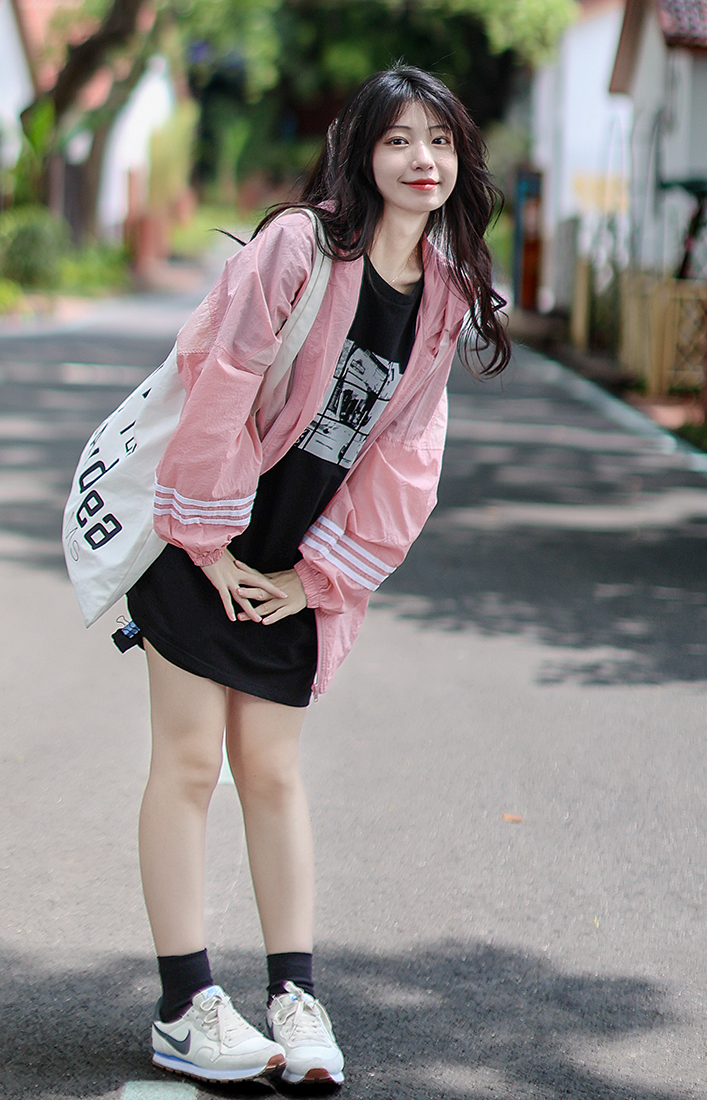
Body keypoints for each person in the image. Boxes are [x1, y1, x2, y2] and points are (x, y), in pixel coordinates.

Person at [122, 65, 510, 1086]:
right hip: (195, 534)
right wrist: (204, 541)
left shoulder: (445, 291)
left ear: (459, 156)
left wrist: (320, 577)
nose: (420, 159)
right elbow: (221, 383)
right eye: (397, 140)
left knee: (274, 771)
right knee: (188, 762)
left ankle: (292, 994)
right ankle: (183, 1004)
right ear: (361, 152)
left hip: (293, 561)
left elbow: (405, 456)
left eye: (438, 140)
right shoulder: (299, 245)